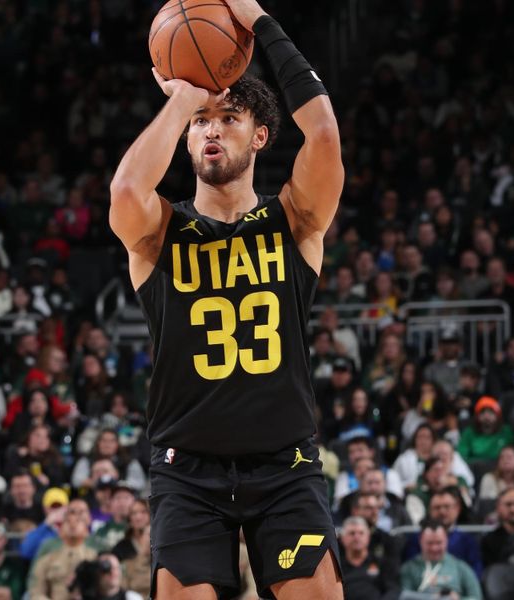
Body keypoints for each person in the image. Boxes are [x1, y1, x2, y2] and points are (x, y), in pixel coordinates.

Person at [110, 1, 344, 596]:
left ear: (261, 135)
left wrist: (259, 21)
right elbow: (126, 188)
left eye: (229, 116)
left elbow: (322, 132)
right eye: (202, 122)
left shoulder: (294, 221)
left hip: (285, 466)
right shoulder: (158, 233)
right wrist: (186, 98)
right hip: (186, 472)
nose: (212, 129)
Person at [400, 520, 483, 600]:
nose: (434, 548)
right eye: (430, 543)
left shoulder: (460, 567)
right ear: (421, 541)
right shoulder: (409, 568)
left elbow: (476, 597)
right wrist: (436, 598)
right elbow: (404, 596)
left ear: (446, 541)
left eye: (438, 543)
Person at [337, 516, 399, 600]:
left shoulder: (382, 563)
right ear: (342, 539)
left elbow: (393, 590)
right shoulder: (335, 567)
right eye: (352, 533)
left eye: (361, 533)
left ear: (368, 537)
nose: (356, 537)